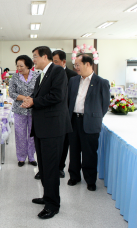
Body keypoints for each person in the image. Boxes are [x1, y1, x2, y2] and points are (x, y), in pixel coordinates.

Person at [23, 46, 72, 220]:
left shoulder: (57, 71)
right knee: (43, 167)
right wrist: (31, 100)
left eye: (35, 57)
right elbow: (41, 95)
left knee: (51, 168)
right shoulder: (42, 74)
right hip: (43, 127)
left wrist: (33, 102)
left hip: (53, 128)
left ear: (45, 56)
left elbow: (56, 96)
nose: (33, 60)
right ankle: (47, 196)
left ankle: (53, 205)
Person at [67, 55, 110, 191]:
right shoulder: (73, 80)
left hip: (90, 122)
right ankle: (74, 176)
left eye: (78, 64)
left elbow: (104, 105)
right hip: (73, 120)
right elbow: (68, 100)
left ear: (88, 64)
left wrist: (94, 117)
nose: (76, 67)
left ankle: (90, 180)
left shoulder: (101, 82)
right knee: (73, 151)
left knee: (89, 153)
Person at [49, 50, 79, 179]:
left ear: (63, 61)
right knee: (50, 144)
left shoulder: (72, 75)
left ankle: (60, 167)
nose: (53, 64)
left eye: (55, 61)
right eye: (52, 61)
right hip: (51, 115)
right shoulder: (49, 73)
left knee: (64, 143)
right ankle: (47, 168)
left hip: (66, 114)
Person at [9, 55, 40, 167]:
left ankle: (31, 157)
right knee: (20, 134)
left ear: (28, 65)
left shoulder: (37, 76)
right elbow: (11, 93)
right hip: (19, 110)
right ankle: (21, 158)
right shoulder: (15, 77)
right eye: (17, 66)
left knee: (32, 135)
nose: (19, 68)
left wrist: (31, 100)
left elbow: (40, 91)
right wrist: (24, 98)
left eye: (21, 65)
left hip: (34, 110)